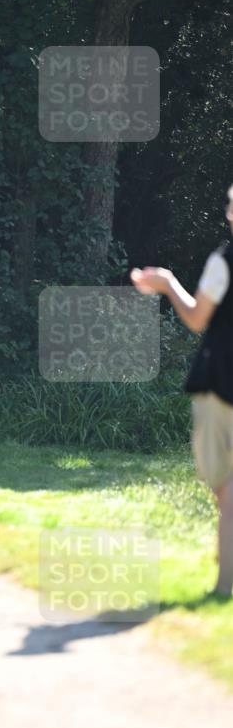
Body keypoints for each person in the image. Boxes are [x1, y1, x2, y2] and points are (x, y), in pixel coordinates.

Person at [130, 182, 233, 598]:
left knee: (224, 488)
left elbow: (196, 319)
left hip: (222, 386)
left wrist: (168, 283)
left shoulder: (224, 261)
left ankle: (224, 586)